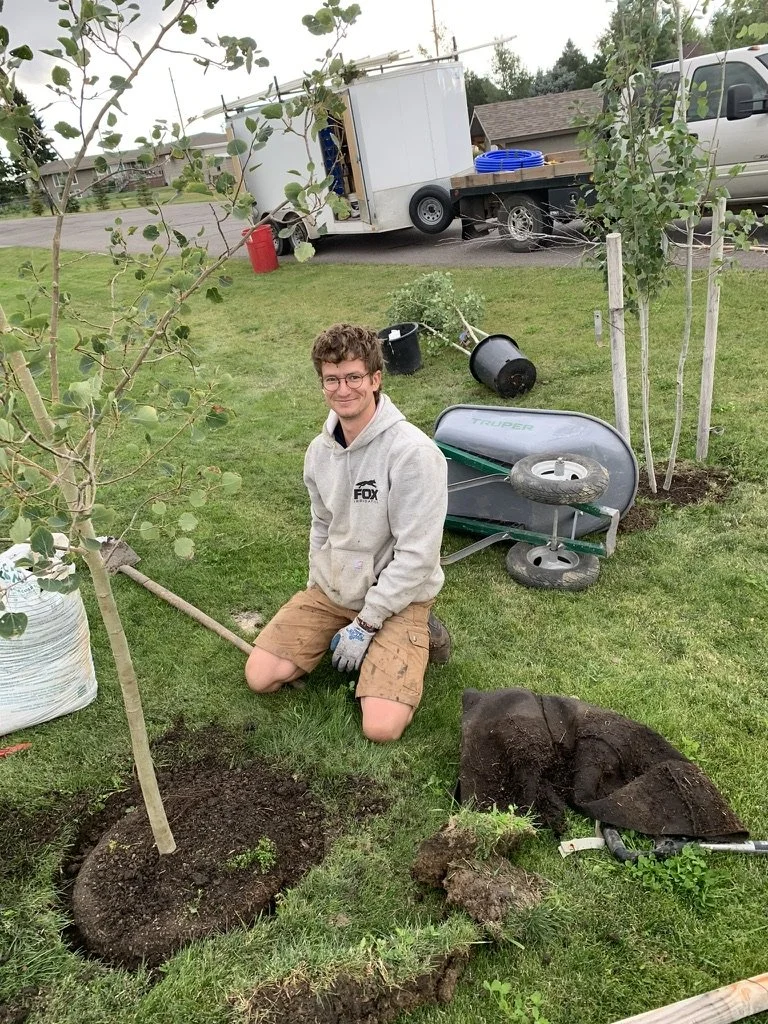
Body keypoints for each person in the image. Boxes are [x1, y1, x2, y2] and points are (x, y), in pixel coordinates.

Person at [245, 323, 448, 742]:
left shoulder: (413, 454)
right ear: (322, 384)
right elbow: (321, 525)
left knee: (381, 727)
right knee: (261, 677)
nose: (343, 389)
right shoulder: (319, 453)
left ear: (375, 379)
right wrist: (314, 584)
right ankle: (353, 637)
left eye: (354, 377)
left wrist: (367, 624)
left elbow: (418, 557)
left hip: (398, 596)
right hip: (335, 588)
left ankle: (418, 633)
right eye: (332, 379)